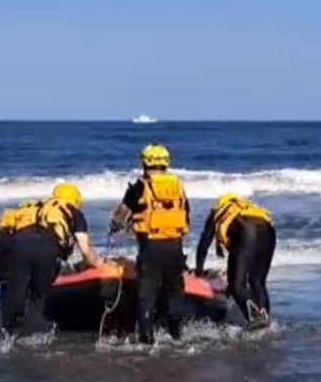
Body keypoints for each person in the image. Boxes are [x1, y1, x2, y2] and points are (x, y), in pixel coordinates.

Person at [0, 182, 103, 336]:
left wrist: (1, 272)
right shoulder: (73, 212)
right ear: (76, 201)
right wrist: (98, 262)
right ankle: (37, 337)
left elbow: (0, 242)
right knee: (39, 296)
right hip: (45, 247)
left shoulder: (32, 208)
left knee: (14, 291)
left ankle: (7, 334)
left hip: (14, 246)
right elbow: (85, 250)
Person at [109, 144, 192, 343]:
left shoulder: (140, 186)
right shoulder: (178, 187)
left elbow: (120, 216)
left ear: (145, 162)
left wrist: (116, 226)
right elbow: (186, 214)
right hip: (174, 247)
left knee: (146, 295)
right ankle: (176, 335)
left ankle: (146, 338)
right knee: (174, 292)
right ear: (166, 162)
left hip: (150, 249)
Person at [194, 193, 276, 328]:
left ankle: (255, 319)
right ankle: (265, 319)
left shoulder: (217, 213)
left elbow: (203, 245)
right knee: (258, 282)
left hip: (246, 231)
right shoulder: (250, 209)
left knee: (236, 286)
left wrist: (199, 271)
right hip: (268, 231)